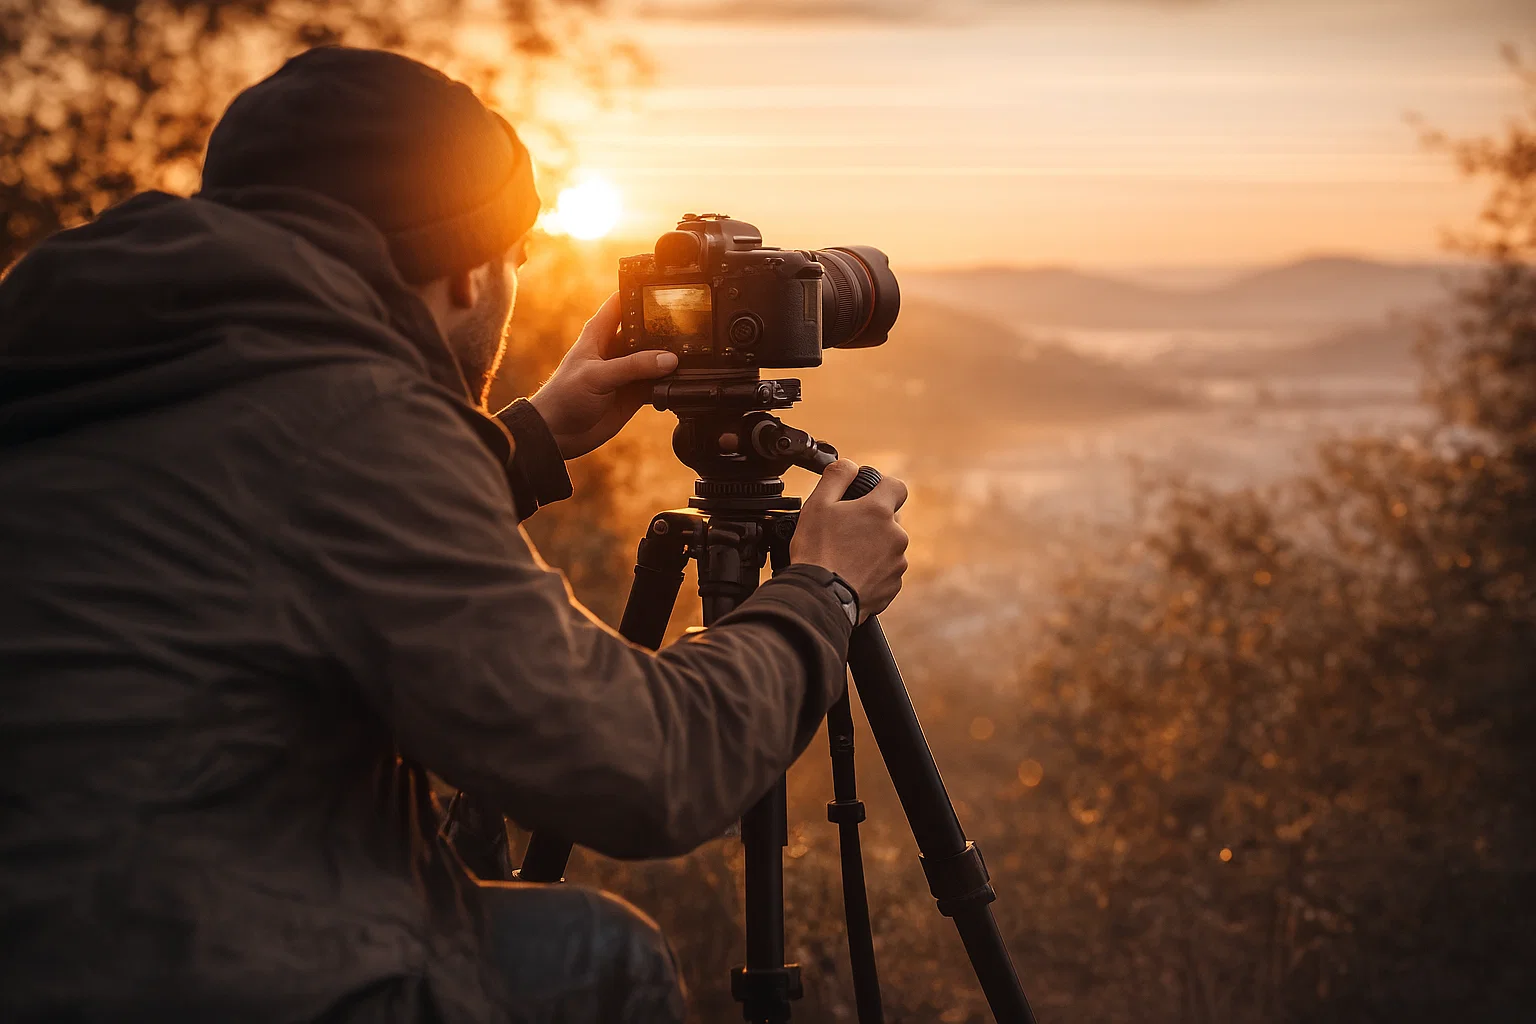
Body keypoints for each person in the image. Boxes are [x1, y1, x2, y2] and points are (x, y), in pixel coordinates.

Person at [0, 47, 910, 1024]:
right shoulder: (355, 423)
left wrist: (530, 437)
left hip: (53, 934)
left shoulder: (77, 361)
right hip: (194, 974)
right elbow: (644, 770)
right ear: (471, 272)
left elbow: (258, 518)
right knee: (598, 956)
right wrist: (825, 592)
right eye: (516, 259)